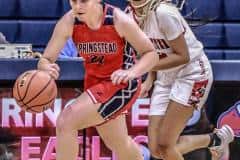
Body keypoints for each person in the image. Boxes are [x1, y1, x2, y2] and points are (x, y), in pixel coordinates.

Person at [37, 0, 159, 160]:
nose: (77, 6)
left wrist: (131, 72)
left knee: (65, 122)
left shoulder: (118, 20)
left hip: (121, 85)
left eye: (83, 1)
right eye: (73, 0)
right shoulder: (69, 21)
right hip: (95, 84)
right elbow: (45, 59)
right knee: (118, 143)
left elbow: (151, 54)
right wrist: (45, 66)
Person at [127, 0, 235, 160]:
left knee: (165, 145)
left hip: (192, 74)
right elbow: (153, 52)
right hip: (165, 76)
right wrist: (149, 80)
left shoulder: (164, 12)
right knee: (156, 149)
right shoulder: (130, 15)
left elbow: (183, 56)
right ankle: (216, 140)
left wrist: (142, 68)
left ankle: (216, 140)